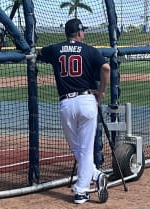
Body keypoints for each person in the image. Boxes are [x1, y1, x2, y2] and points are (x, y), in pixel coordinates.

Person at [38, 18, 111, 204]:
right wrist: (101, 91)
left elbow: (38, 54)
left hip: (66, 103)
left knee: (77, 148)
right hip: (87, 100)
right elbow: (106, 67)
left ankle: (86, 183)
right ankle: (86, 185)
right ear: (79, 33)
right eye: (82, 31)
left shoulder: (55, 49)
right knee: (85, 150)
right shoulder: (89, 50)